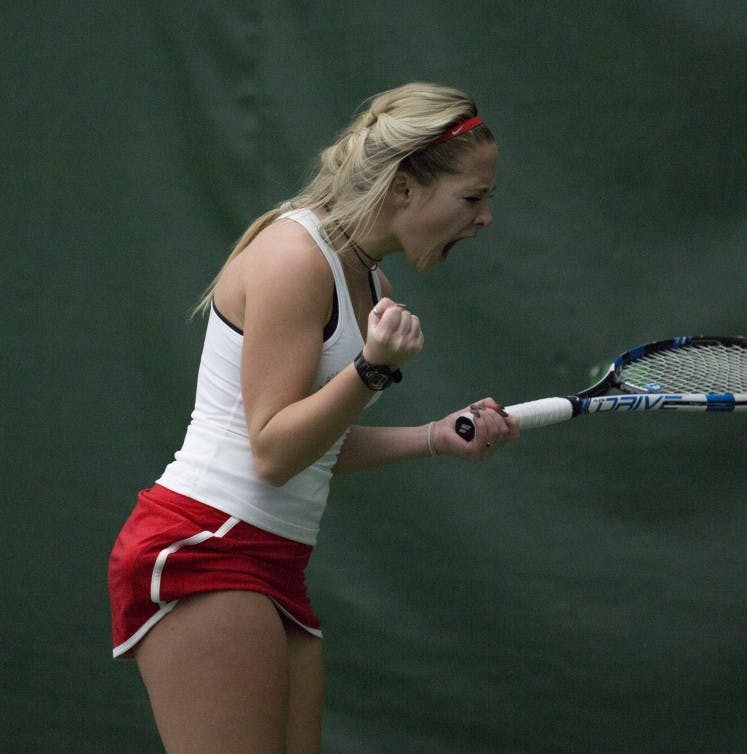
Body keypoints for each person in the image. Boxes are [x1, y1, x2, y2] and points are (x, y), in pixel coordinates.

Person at [108, 82, 518, 753]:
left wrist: (435, 438)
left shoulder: (372, 283)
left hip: (276, 560)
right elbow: (272, 452)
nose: (485, 218)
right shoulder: (296, 258)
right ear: (404, 188)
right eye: (472, 198)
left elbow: (315, 445)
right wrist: (371, 369)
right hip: (205, 544)